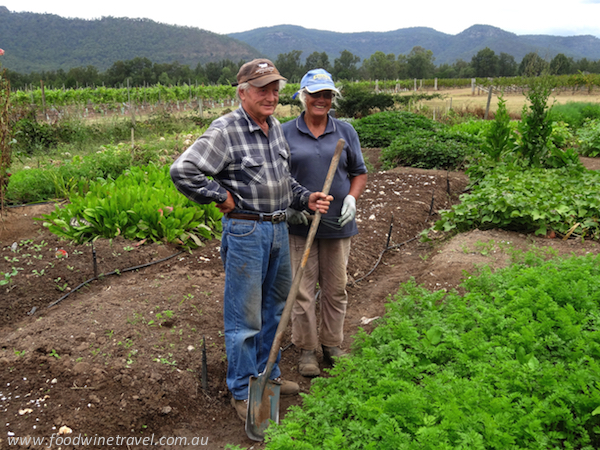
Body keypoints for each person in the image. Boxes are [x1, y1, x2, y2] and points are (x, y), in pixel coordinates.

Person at [169, 59, 332, 422]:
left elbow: (283, 181)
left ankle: (268, 376)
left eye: (275, 88)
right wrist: (219, 196)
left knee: (275, 310)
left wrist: (305, 198)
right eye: (262, 89)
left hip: (277, 229)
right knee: (245, 317)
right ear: (243, 92)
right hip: (246, 231)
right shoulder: (226, 129)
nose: (270, 96)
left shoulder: (274, 128)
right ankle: (242, 389)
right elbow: (183, 170)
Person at [282, 69, 368, 377]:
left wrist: (352, 199)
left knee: (336, 288)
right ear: (303, 97)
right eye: (315, 94)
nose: (321, 100)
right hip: (299, 225)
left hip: (336, 225)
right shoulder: (284, 132)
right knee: (302, 291)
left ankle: (332, 345)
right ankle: (307, 350)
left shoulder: (345, 131)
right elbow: (277, 178)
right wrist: (289, 206)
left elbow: (359, 172)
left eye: (327, 95)